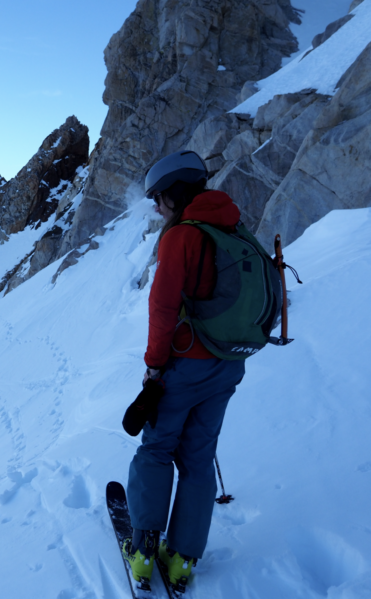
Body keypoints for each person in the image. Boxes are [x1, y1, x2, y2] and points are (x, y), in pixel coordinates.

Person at [122, 150, 246, 592]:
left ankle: (143, 550)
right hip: (228, 365)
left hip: (185, 365)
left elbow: (162, 308)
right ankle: (182, 560)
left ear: (175, 194)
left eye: (158, 197)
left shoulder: (182, 236)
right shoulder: (233, 226)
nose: (156, 207)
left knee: (156, 450)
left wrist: (154, 367)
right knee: (198, 459)